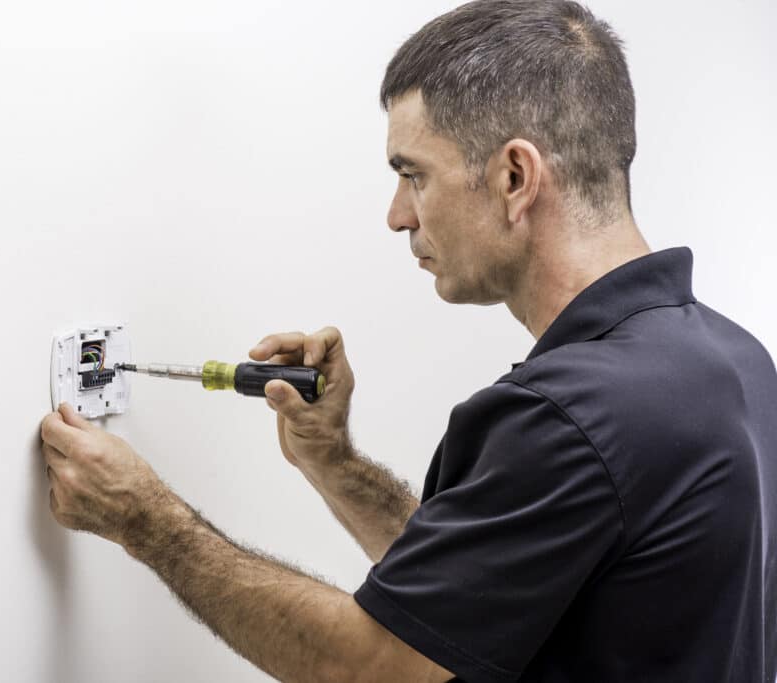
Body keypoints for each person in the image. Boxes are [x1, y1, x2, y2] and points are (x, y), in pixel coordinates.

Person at [40, 0, 777, 680]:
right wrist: (333, 461)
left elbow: (372, 666)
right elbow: (469, 602)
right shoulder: (733, 360)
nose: (398, 215)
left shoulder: (574, 418)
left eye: (412, 174)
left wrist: (145, 518)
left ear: (516, 175)